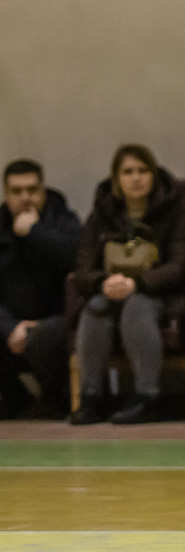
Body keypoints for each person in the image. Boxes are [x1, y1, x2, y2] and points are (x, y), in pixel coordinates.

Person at [70, 144, 185, 425]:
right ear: (116, 178)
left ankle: (147, 396)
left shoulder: (176, 212)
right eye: (127, 172)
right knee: (95, 306)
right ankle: (90, 397)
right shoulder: (100, 215)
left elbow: (180, 266)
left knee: (138, 307)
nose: (136, 178)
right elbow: (82, 269)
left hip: (158, 295)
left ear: (153, 175)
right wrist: (103, 282)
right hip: (109, 292)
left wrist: (137, 283)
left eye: (142, 171)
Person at [0, 159, 81, 419]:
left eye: (32, 190)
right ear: (6, 194)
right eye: (17, 191)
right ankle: (14, 397)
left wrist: (35, 231)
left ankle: (55, 396)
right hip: (12, 323)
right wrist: (10, 326)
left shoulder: (63, 219)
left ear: (43, 191)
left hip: (57, 319)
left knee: (45, 335)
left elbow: (78, 257)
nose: (25, 197)